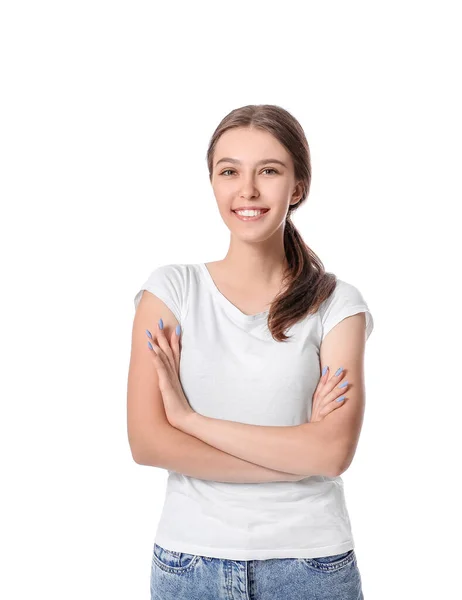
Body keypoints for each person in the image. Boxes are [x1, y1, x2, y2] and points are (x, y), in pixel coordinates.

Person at [128, 104, 374, 599]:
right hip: (189, 564)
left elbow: (333, 452)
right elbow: (147, 443)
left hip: (311, 566)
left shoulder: (336, 304)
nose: (248, 191)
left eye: (269, 171)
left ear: (298, 186)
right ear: (213, 182)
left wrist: (190, 421)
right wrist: (296, 455)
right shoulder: (171, 292)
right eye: (229, 171)